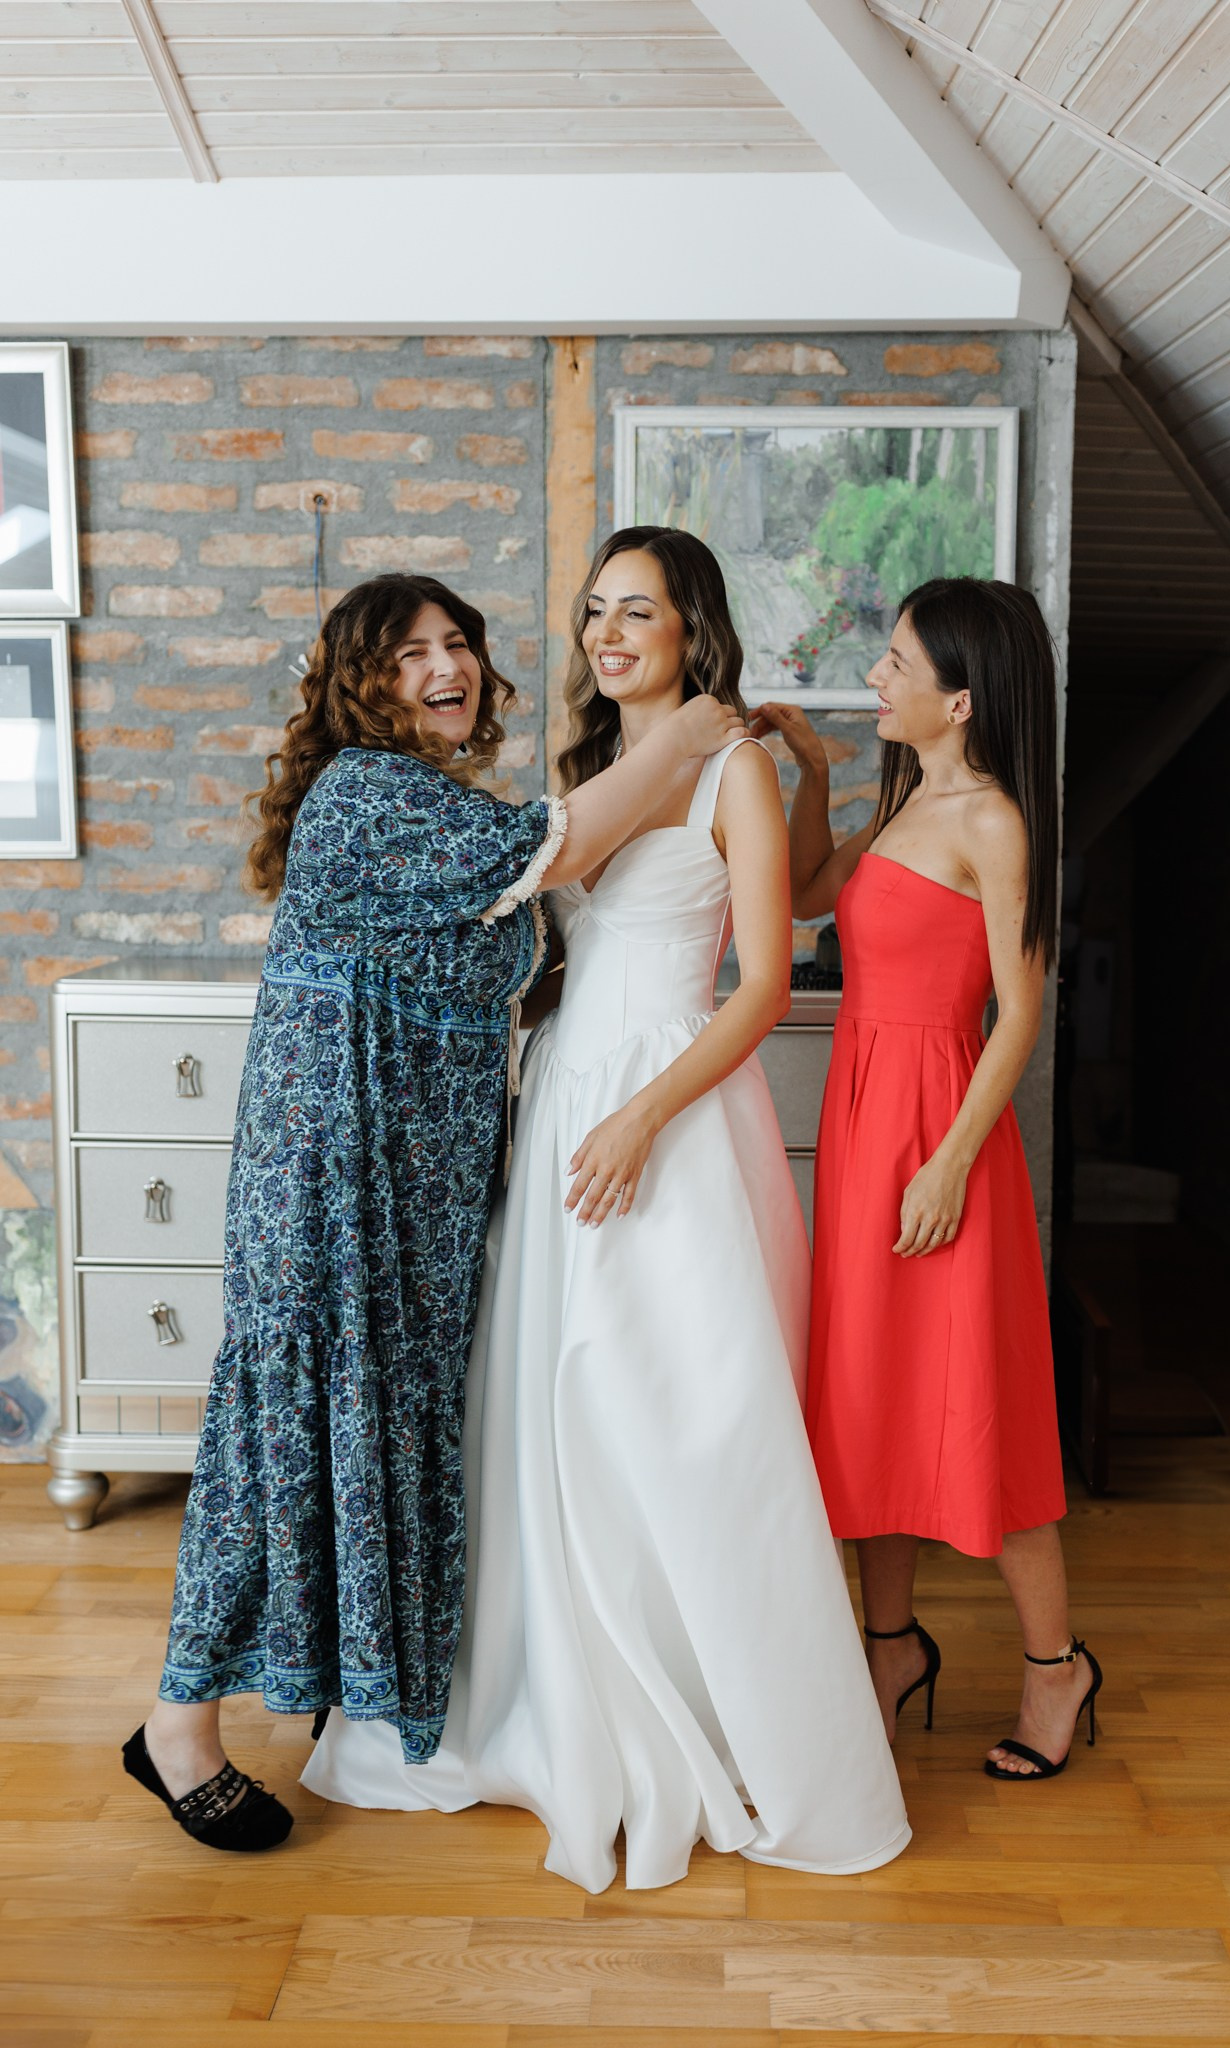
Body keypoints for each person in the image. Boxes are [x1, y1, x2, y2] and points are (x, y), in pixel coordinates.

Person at [304, 528, 911, 1890]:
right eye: (595, 611)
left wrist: (643, 1115)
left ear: (693, 627)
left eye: (639, 611)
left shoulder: (733, 766)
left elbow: (765, 984)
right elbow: (539, 948)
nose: (609, 634)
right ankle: (557, 1693)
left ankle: (723, 1710)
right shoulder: (585, 776)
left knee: (677, 1412)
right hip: (566, 1095)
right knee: (550, 1408)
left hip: (671, 1108)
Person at [124, 571, 745, 1851]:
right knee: (283, 1436)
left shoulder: (440, 803)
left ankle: (346, 1689)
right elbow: (553, 847)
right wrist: (685, 737)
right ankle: (177, 1727)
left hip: (417, 1190)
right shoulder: (368, 792)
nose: (446, 667)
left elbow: (529, 952)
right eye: (410, 653)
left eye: (457, 643)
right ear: (363, 683)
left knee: (366, 1429)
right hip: (332, 1173)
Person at [755, 577, 1102, 1782]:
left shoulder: (995, 820)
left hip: (941, 1137)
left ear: (960, 698)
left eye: (897, 660)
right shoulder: (906, 799)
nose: (877, 675)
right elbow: (805, 895)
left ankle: (1056, 1666)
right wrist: (813, 774)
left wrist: (949, 1161)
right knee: (868, 1396)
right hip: (865, 1130)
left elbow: (1022, 1011)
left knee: (976, 1400)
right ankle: (890, 1647)